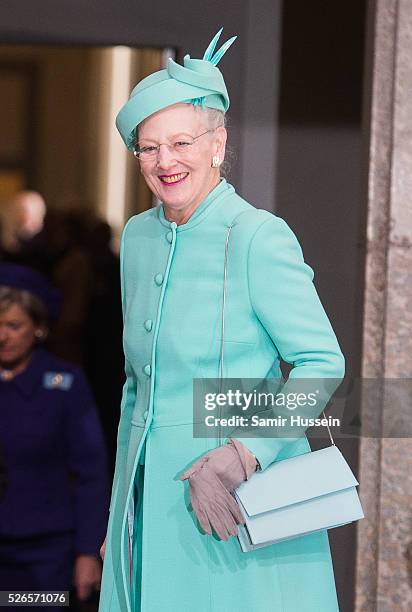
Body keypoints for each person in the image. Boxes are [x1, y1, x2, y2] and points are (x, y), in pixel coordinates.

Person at [99, 28, 346, 612]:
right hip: (148, 507)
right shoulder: (136, 239)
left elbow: (321, 363)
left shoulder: (257, 236)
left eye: (181, 143)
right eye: (149, 147)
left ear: (218, 143)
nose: (165, 162)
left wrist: (245, 451)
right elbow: (138, 389)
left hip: (237, 503)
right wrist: (119, 513)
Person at [0, 263, 109, 606]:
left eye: (14, 325)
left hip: (46, 555)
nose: (2, 335)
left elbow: (92, 473)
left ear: (39, 329)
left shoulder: (65, 384)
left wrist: (87, 552)